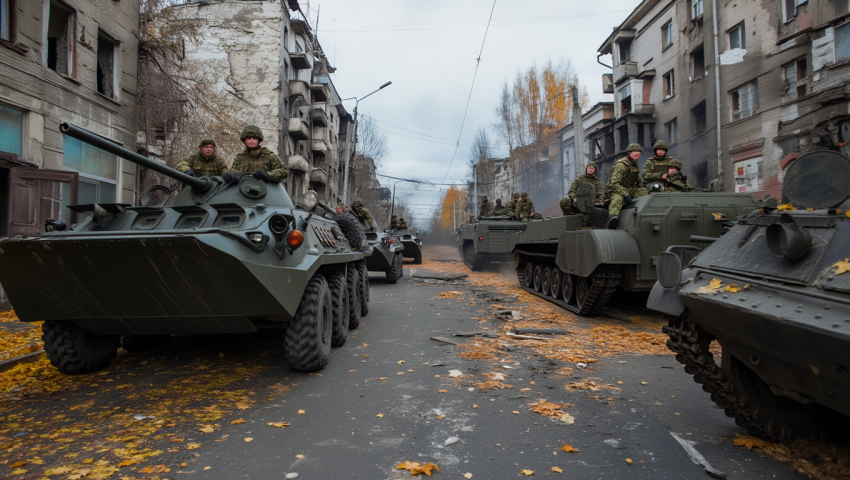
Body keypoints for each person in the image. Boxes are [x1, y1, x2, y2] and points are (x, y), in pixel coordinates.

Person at [605, 143, 648, 229]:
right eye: (634, 152)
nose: (637, 153)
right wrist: (626, 194)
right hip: (614, 190)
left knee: (643, 191)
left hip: (629, 188)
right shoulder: (621, 165)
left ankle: (641, 212)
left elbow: (638, 180)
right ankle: (613, 218)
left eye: (638, 152)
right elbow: (614, 183)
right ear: (629, 153)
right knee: (617, 198)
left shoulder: (634, 164)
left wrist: (644, 185)